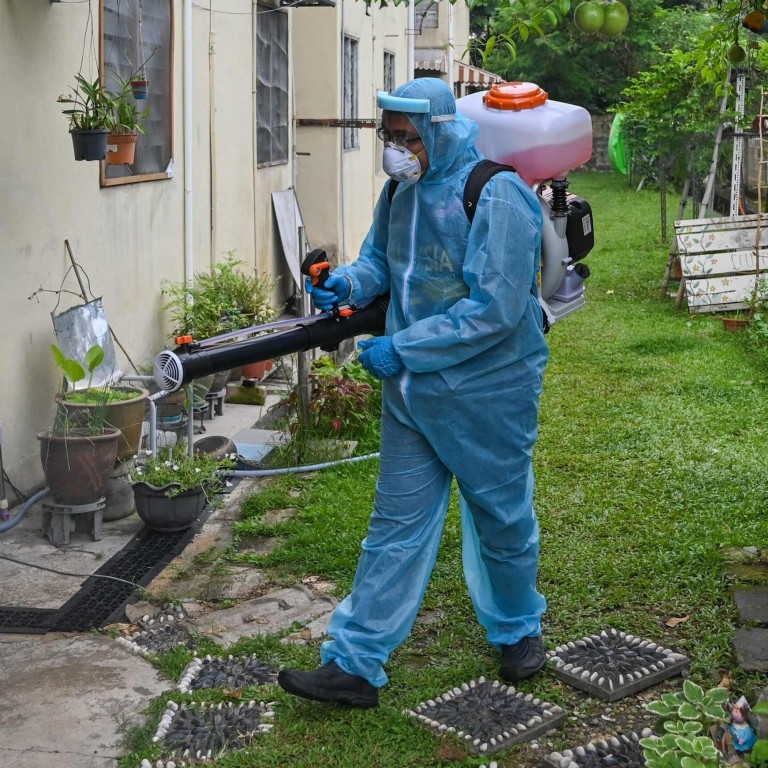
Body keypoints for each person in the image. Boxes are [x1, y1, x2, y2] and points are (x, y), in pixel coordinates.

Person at [278, 77, 549, 709]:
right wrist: (346, 284)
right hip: (414, 394)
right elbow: (382, 261)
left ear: (440, 131)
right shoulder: (400, 190)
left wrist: (403, 346)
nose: (395, 149)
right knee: (393, 527)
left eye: (408, 138)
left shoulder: (496, 194)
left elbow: (496, 311)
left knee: (501, 518)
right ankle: (355, 662)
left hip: (488, 392)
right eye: (389, 136)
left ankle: (516, 628)